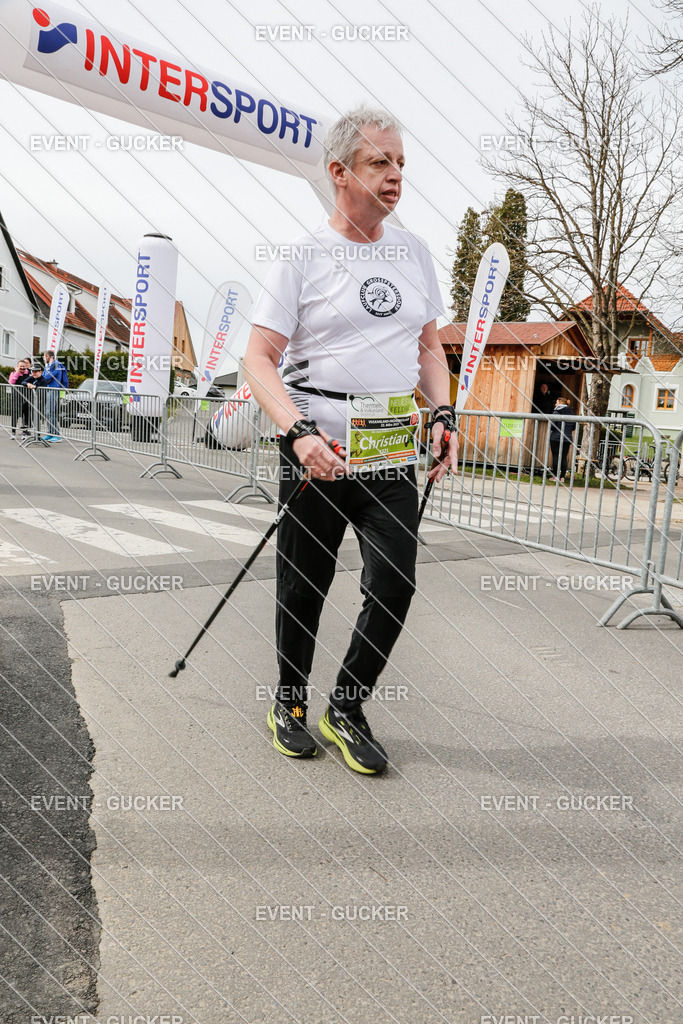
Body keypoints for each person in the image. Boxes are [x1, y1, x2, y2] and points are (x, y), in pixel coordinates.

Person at [243, 106, 458, 774]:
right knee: (303, 584)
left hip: (388, 449)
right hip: (319, 448)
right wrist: (297, 431)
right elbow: (257, 358)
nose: (395, 177)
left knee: (393, 583)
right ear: (339, 172)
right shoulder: (303, 258)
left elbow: (427, 346)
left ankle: (347, 705)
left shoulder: (414, 253)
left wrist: (443, 412)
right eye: (379, 164)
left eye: (399, 164)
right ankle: (288, 702)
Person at [41, 350, 68, 442]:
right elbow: (43, 376)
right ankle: (50, 432)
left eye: (44, 357)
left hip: (53, 390)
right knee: (47, 411)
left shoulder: (56, 365)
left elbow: (47, 377)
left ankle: (56, 435)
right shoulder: (48, 366)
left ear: (48, 356)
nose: (43, 359)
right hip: (48, 390)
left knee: (50, 411)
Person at [549, 396, 575, 482]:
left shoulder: (556, 412)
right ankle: (562, 477)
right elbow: (573, 426)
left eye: (556, 402)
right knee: (564, 457)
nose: (555, 404)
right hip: (567, 438)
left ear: (560, 403)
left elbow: (552, 425)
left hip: (556, 438)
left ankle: (555, 476)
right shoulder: (571, 413)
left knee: (556, 456)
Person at [8, 358, 32, 438]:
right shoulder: (14, 373)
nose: (22, 368)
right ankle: (13, 432)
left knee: (26, 415)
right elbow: (11, 382)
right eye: (20, 366)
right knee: (15, 414)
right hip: (16, 396)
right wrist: (17, 373)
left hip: (26, 397)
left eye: (23, 367)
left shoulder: (29, 374)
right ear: (17, 366)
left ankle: (25, 432)